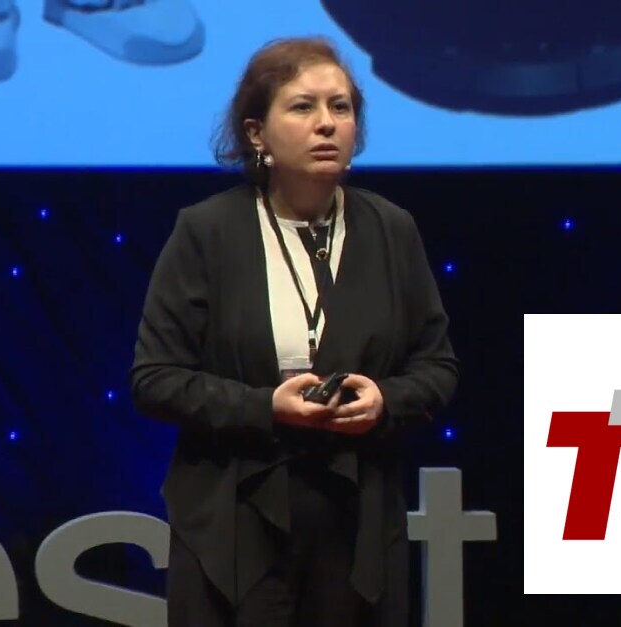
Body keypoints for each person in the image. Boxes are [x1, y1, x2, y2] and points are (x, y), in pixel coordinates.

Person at [129, 36, 460, 627]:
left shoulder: (391, 229)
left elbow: (437, 367)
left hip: (355, 524)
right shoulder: (207, 231)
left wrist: (385, 400)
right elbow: (155, 380)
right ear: (257, 133)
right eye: (303, 106)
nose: (327, 124)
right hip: (235, 521)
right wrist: (265, 408)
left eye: (341, 107)